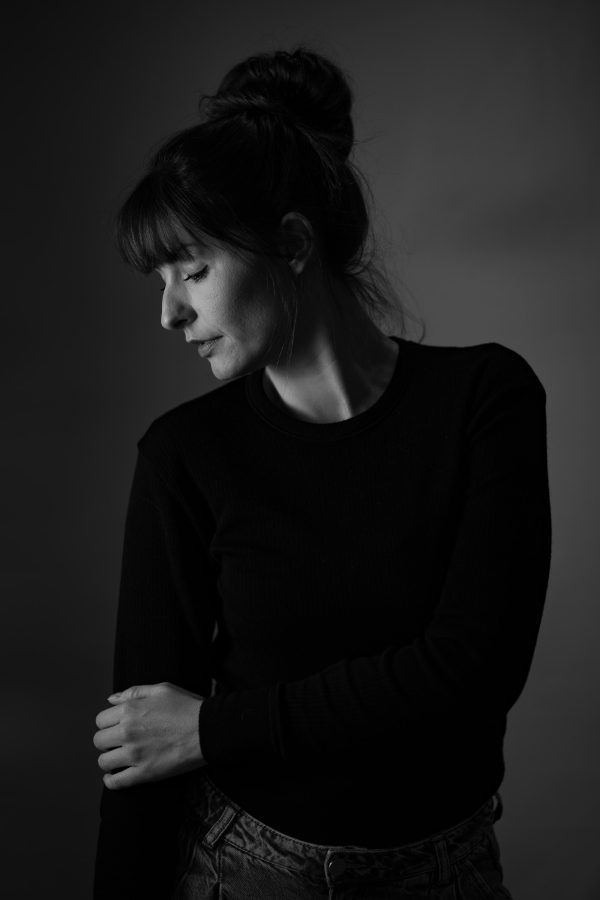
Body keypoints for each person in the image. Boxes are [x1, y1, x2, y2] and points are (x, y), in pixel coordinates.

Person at [92, 45, 552, 899]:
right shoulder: (183, 455)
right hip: (244, 872)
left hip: (449, 875)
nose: (169, 311)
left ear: (294, 244)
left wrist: (214, 730)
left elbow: (474, 672)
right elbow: (145, 744)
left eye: (194, 269)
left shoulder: (487, 398)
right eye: (160, 278)